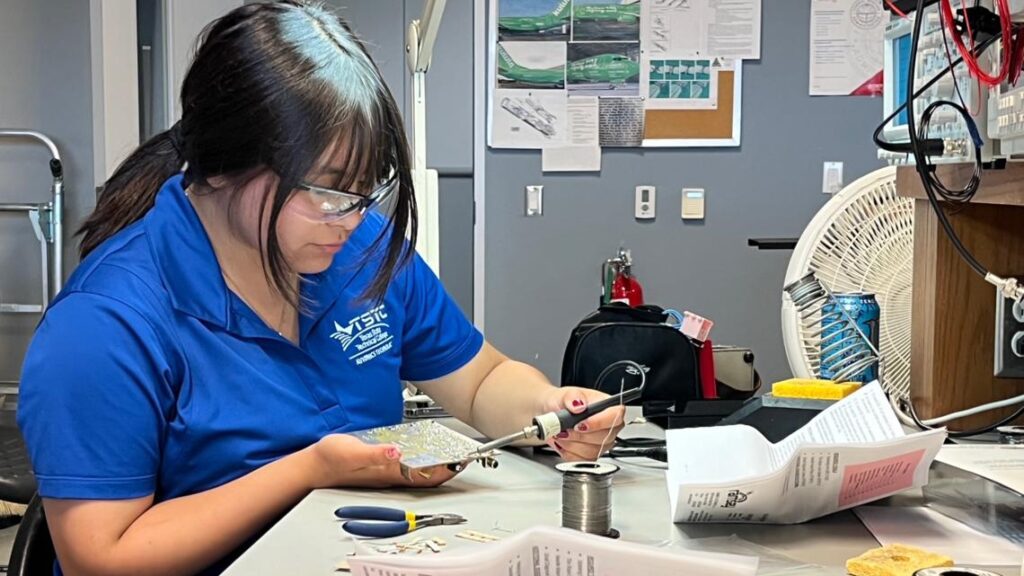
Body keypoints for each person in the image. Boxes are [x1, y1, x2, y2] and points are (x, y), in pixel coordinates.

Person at [15, 2, 624, 574]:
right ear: (227, 163)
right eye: (330, 188)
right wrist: (310, 469)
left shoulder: (357, 248)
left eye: (366, 187)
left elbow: (481, 380)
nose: (353, 216)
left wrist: (546, 408)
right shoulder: (104, 325)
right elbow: (104, 557)